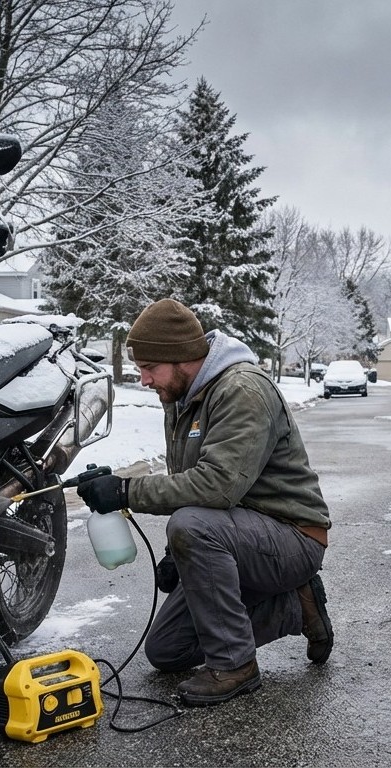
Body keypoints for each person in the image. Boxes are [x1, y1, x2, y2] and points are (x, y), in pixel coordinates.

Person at [76, 298, 334, 706]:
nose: (143, 379)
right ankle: (296, 608)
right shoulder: (180, 398)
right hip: (240, 536)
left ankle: (236, 667)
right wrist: (174, 556)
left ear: (180, 358)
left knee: (192, 527)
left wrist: (126, 492)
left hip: (292, 537)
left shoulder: (242, 391)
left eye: (150, 368)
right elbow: (187, 485)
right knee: (166, 651)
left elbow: (216, 488)